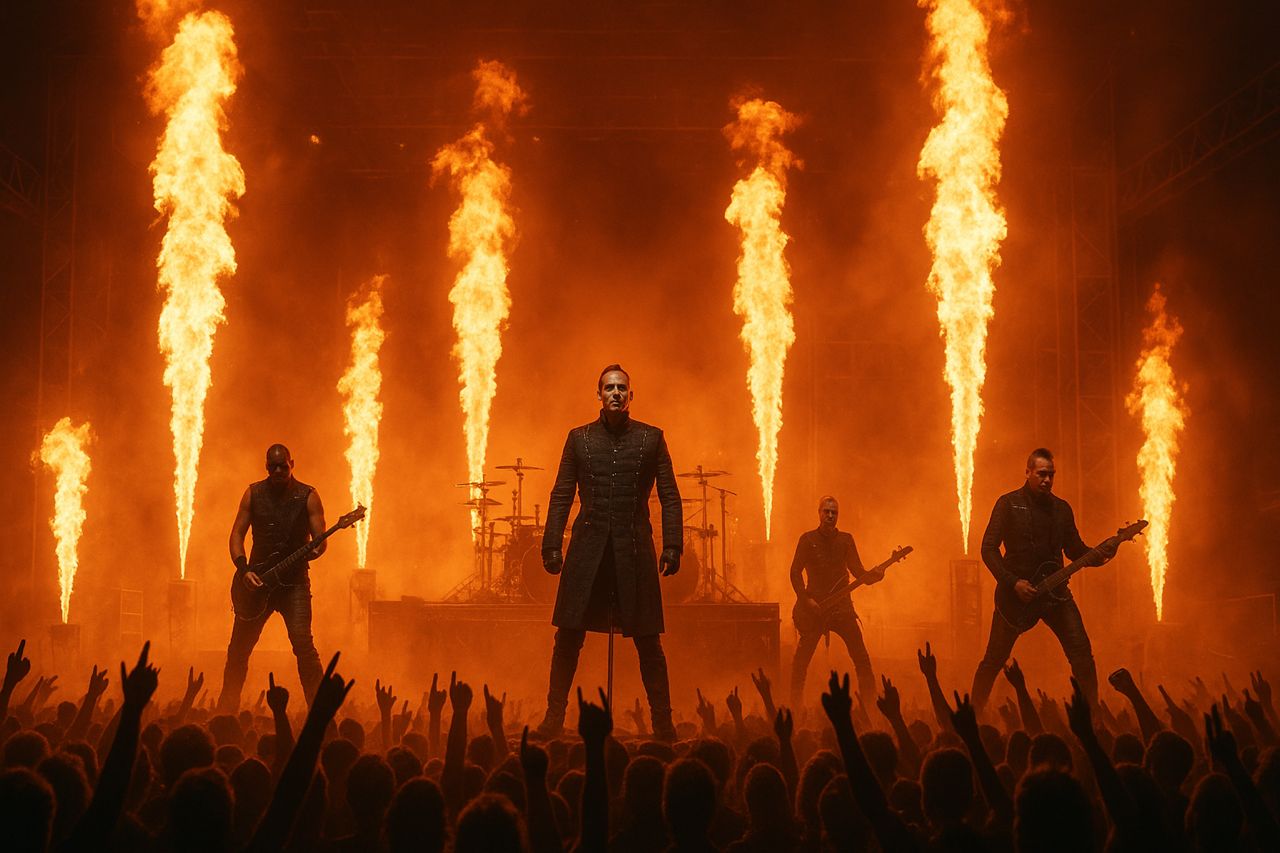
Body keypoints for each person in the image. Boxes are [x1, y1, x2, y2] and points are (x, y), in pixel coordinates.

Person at [538, 365, 684, 741]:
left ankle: (663, 723)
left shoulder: (652, 438)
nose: (615, 393)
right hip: (587, 551)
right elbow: (561, 494)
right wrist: (551, 545)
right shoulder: (578, 439)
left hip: (633, 550)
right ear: (599, 394)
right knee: (567, 639)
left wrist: (672, 545)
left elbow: (670, 496)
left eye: (621, 388)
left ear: (630, 395)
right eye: (609, 388)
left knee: (648, 641)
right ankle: (553, 717)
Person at [970, 448, 1116, 711]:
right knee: (994, 659)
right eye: (1041, 474)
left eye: (1051, 475)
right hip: (1015, 598)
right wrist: (1013, 582)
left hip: (1056, 595)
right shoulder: (1008, 504)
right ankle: (973, 714)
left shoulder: (1062, 509)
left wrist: (1104, 554)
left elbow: (1075, 551)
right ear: (1027, 472)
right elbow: (988, 548)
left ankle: (1093, 716)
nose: (1047, 480)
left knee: (1082, 654)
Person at [217, 444, 327, 712]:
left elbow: (320, 539)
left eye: (283, 466)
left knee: (303, 645)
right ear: (266, 466)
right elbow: (236, 534)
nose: (278, 471)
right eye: (272, 467)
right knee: (238, 650)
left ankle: (320, 713)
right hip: (258, 584)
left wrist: (317, 549)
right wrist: (243, 569)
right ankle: (225, 712)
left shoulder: (309, 496)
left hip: (294, 584)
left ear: (292, 464)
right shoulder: (253, 493)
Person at [788, 496, 883, 705]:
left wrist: (875, 576)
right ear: (819, 513)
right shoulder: (807, 540)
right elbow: (795, 572)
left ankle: (871, 706)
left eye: (834, 512)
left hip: (842, 609)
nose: (830, 516)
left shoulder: (846, 540)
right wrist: (806, 600)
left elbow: (858, 572)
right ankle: (794, 707)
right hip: (815, 609)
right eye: (827, 511)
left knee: (861, 659)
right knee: (800, 663)